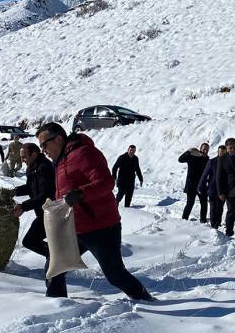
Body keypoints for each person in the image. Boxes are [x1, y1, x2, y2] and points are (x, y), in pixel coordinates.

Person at [35, 123, 154, 301]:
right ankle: (57, 306)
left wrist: (81, 194)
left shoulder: (84, 153)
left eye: (44, 144)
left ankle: (145, 299)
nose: (43, 150)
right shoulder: (60, 161)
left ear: (58, 139)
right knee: (54, 268)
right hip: (74, 228)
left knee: (115, 275)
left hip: (101, 227)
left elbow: (106, 182)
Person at [12, 143, 63, 297]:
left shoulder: (45, 168)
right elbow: (30, 188)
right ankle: (53, 254)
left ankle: (55, 290)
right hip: (42, 214)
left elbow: (45, 195)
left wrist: (23, 207)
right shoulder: (32, 168)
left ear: (34, 155)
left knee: (31, 241)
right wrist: (13, 191)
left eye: (24, 157)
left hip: (52, 213)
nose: (22, 160)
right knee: (29, 241)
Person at [179, 143, 210, 222]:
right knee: (190, 203)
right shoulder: (192, 156)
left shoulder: (207, 159)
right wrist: (188, 152)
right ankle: (184, 220)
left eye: (207, 149)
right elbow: (180, 159)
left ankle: (203, 220)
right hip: (191, 185)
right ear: (200, 149)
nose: (205, 151)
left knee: (204, 204)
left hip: (202, 185)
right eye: (204, 149)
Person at [198, 145, 227, 229]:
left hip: (223, 189)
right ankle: (213, 225)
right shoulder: (212, 161)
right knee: (213, 207)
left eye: (223, 152)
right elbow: (204, 175)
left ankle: (218, 222)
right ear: (218, 152)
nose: (221, 154)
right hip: (212, 188)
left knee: (220, 207)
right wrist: (200, 187)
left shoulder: (228, 162)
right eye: (220, 152)